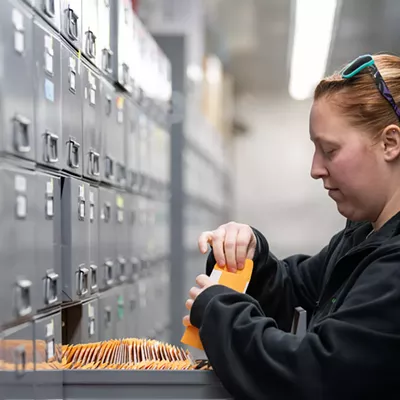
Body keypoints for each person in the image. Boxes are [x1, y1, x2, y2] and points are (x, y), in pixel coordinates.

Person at [183, 53, 400, 400]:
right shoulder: (362, 235)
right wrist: (250, 256)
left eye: (329, 150)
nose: (316, 169)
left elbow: (312, 374)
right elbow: (295, 287)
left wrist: (218, 311)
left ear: (390, 143)